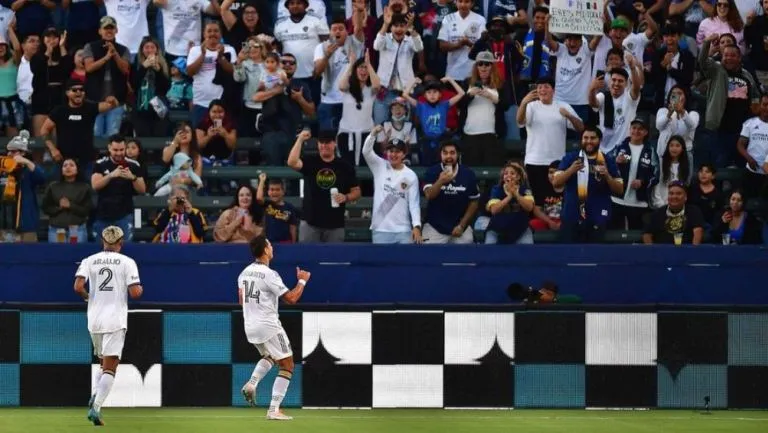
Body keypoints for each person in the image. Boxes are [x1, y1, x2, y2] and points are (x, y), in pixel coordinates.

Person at [74, 225, 143, 426]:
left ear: (103, 242)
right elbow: (135, 292)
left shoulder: (89, 260)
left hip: (94, 319)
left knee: (103, 362)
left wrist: (89, 297)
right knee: (111, 367)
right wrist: (141, 288)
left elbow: (78, 286)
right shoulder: (128, 262)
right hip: (115, 319)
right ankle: (95, 407)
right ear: (121, 243)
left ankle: (95, 396)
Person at [238, 234, 311, 420]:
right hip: (268, 325)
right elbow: (292, 298)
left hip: (250, 326)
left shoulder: (244, 272)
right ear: (264, 250)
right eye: (270, 244)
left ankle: (252, 383)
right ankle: (273, 410)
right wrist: (302, 280)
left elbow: (241, 301)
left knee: (270, 356)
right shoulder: (270, 275)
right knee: (287, 365)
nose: (272, 247)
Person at [287, 129, 362, 242]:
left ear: (334, 143)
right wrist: (300, 139)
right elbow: (292, 162)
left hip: (335, 225)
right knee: (308, 259)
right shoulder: (310, 161)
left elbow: (357, 192)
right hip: (310, 222)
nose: (324, 145)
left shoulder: (345, 166)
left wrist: (346, 197)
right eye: (321, 142)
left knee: (334, 259)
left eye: (327, 142)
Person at [553, 126, 624, 243]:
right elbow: (556, 182)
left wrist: (607, 175)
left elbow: (620, 189)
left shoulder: (608, 160)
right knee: (570, 257)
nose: (589, 141)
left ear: (600, 140)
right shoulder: (571, 158)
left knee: (595, 256)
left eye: (593, 138)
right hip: (572, 215)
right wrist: (571, 170)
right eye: (585, 138)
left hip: (597, 216)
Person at [41, 79, 120, 179]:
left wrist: (113, 99)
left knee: (90, 191)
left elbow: (113, 106)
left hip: (87, 161)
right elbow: (44, 130)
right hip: (64, 161)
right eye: (74, 90)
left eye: (81, 90)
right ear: (67, 93)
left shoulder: (90, 108)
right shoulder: (59, 111)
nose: (78, 92)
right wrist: (53, 149)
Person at [363, 127, 422, 244]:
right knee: (381, 263)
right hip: (380, 229)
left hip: (403, 231)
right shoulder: (379, 166)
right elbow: (366, 152)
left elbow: (414, 204)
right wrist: (373, 134)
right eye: (391, 151)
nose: (393, 154)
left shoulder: (411, 175)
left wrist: (417, 226)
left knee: (404, 263)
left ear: (404, 154)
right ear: (386, 152)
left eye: (397, 151)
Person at [422, 142, 480, 244]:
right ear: (440, 154)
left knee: (467, 251)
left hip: (459, 227)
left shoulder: (468, 174)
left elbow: (474, 201)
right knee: (428, 255)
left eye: (452, 153)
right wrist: (440, 181)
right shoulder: (432, 171)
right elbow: (429, 195)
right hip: (435, 226)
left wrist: (462, 225)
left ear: (458, 155)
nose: (448, 156)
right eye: (445, 153)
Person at [91, 135, 147, 242]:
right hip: (103, 214)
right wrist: (111, 175)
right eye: (115, 150)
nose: (119, 153)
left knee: (125, 250)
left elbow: (142, 190)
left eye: (121, 150)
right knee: (101, 251)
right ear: (109, 148)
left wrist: (133, 177)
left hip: (124, 215)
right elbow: (95, 185)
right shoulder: (100, 164)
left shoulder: (134, 165)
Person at [608, 118, 659, 230]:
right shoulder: (619, 147)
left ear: (645, 132)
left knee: (636, 238)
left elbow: (656, 174)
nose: (636, 131)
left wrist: (642, 181)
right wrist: (615, 161)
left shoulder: (650, 151)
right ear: (630, 129)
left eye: (640, 129)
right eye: (634, 128)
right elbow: (605, 165)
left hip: (639, 202)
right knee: (614, 237)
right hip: (617, 199)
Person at [41, 158, 92, 243]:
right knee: (56, 256)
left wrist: (70, 205)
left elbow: (87, 210)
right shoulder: (53, 186)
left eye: (71, 165)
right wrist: (59, 207)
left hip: (78, 230)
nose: (68, 167)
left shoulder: (84, 187)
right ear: (61, 170)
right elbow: (45, 208)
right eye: (65, 165)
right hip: (56, 230)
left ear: (77, 169)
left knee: (78, 255)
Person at [256, 173, 299, 244]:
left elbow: (293, 227)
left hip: (286, 242)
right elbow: (259, 198)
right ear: (268, 192)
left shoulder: (289, 207)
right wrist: (262, 180)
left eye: (277, 189)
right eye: (272, 189)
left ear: (283, 191)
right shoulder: (267, 204)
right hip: (269, 242)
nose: (275, 192)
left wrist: (293, 244)